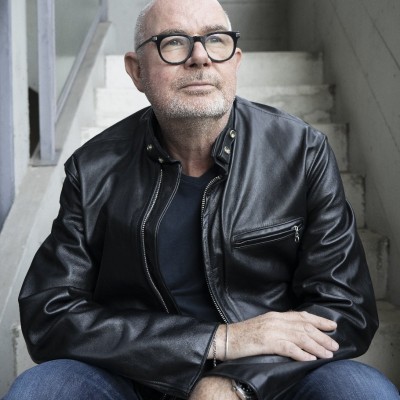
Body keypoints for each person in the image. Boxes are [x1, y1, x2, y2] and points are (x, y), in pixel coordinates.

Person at [3, 0, 399, 399]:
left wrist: (237, 382)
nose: (200, 57)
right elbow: (49, 312)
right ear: (137, 71)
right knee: (43, 390)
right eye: (174, 42)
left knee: (360, 391)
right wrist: (217, 340)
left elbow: (346, 307)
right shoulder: (93, 169)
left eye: (216, 40)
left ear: (235, 61)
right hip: (135, 378)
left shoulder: (300, 152)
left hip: (269, 377)